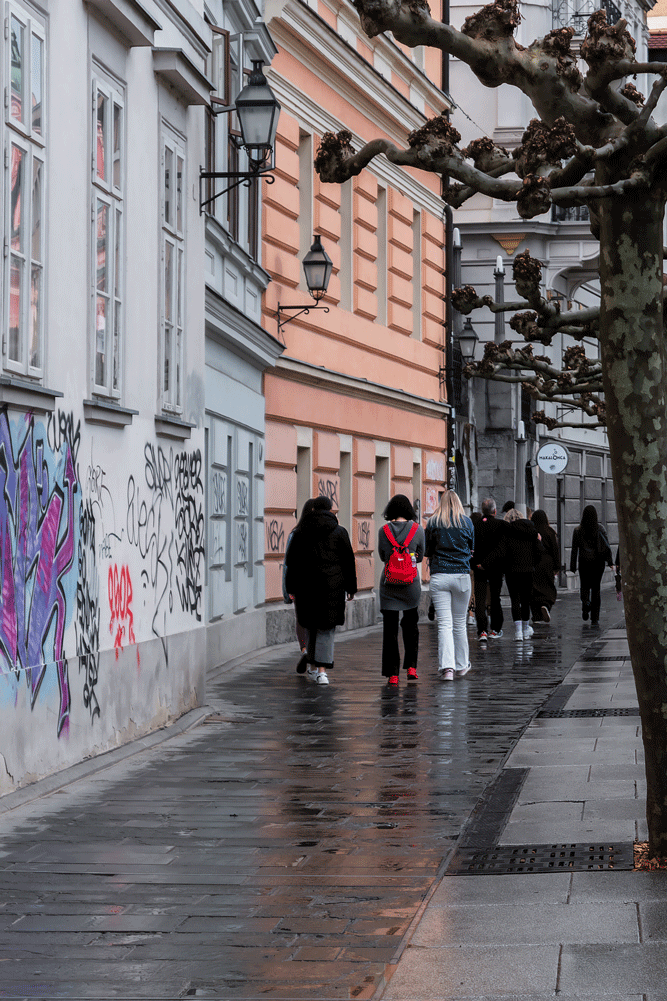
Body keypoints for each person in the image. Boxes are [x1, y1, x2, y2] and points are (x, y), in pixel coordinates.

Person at [284, 496, 357, 684]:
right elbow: (348, 562)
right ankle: (322, 671)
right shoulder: (339, 532)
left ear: (314, 509)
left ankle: (312, 666)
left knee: (310, 626)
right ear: (331, 509)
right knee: (326, 628)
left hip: (306, 586)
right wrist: (351, 588)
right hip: (332, 586)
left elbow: (292, 563)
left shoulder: (300, 532)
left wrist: (290, 587)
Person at [425, 489, 474, 681]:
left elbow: (428, 551)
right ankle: (462, 665)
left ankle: (447, 669)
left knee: (444, 624)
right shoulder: (467, 522)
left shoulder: (434, 522)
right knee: (459, 624)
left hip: (440, 576)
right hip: (461, 576)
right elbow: (472, 548)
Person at [377, 494, 425, 686]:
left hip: (389, 584)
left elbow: (383, 556)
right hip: (410, 584)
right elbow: (420, 557)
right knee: (411, 625)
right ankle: (411, 667)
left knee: (390, 630)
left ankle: (393, 673)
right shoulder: (418, 530)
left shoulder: (383, 531)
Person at [485, 506, 540, 641]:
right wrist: (533, 564)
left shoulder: (507, 533)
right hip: (528, 570)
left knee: (515, 599)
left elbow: (501, 552)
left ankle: (518, 632)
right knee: (526, 600)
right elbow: (539, 551)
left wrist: (488, 563)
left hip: (512, 571)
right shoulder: (531, 532)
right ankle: (526, 628)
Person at [283, 499, 317, 672]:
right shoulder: (324, 532)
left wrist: (288, 589)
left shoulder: (295, 533)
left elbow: (288, 563)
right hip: (319, 584)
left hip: (299, 584)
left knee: (301, 618)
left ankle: (304, 650)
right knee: (316, 620)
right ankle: (314, 654)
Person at [570, 505, 614, 625]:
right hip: (598, 563)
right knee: (596, 589)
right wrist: (610, 562)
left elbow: (574, 550)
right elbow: (606, 546)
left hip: (584, 562)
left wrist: (572, 566)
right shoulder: (600, 529)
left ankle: (586, 604)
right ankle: (595, 618)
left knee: (584, 586)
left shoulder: (578, 530)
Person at [472, 497, 507, 642]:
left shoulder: (475, 525)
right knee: (495, 597)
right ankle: (495, 629)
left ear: (482, 510)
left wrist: (478, 564)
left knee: (479, 598)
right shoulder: (501, 525)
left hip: (479, 567)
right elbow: (501, 548)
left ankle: (482, 631)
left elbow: (471, 547)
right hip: (495, 567)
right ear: (495, 510)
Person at [529, 509, 560, 624]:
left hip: (534, 563)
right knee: (548, 589)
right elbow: (555, 550)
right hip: (548, 563)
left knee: (534, 590)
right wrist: (556, 567)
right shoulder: (550, 531)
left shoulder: (532, 531)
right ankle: (546, 605)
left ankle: (536, 615)